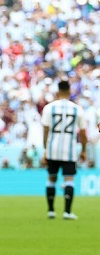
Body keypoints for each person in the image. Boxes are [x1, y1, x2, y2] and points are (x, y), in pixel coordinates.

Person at [41, 80, 87, 220]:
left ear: (58, 91)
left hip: (52, 149)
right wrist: (84, 150)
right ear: (70, 92)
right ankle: (67, 212)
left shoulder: (49, 108)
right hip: (70, 150)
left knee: (51, 179)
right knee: (69, 180)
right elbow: (83, 133)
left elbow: (46, 130)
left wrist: (45, 150)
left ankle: (51, 210)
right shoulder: (77, 109)